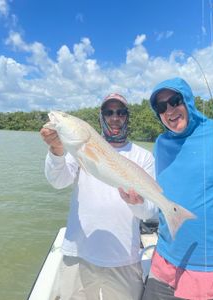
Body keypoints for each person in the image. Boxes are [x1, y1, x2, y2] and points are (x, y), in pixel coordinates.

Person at [40, 93, 158, 300]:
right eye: (109, 112)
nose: (115, 117)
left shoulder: (144, 156)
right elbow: (58, 181)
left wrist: (137, 203)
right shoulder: (77, 148)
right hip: (79, 253)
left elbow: (148, 212)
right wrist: (56, 149)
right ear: (101, 117)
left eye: (120, 112)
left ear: (127, 117)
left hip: (124, 258)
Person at [136, 77, 213, 300]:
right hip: (163, 262)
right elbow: (159, 196)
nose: (170, 110)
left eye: (175, 100)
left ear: (188, 100)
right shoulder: (161, 144)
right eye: (161, 107)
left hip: (211, 271)